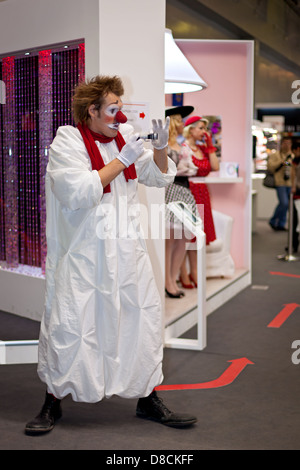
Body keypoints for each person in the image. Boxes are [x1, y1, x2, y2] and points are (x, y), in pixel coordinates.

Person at [25, 75, 197, 434]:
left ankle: (147, 397)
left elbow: (158, 176)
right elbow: (77, 191)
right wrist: (122, 158)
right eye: (113, 109)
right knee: (72, 324)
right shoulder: (69, 140)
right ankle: (52, 400)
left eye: (121, 109)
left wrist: (162, 147)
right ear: (92, 111)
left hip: (126, 251)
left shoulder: (123, 139)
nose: (120, 117)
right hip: (84, 254)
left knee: (139, 321)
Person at [179, 116, 220, 287]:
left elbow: (215, 167)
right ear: (191, 129)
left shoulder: (203, 149)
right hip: (188, 191)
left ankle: (193, 271)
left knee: (197, 235)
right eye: (201, 128)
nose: (204, 132)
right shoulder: (183, 148)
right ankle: (183, 273)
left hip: (202, 192)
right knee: (185, 234)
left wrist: (210, 147)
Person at [164, 106, 198, 297]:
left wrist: (188, 169)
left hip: (185, 191)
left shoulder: (182, 145)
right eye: (180, 120)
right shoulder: (164, 146)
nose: (183, 124)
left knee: (183, 238)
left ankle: (173, 276)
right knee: (170, 240)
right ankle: (168, 281)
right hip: (170, 190)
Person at [268, 136, 294, 231]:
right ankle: (273, 220)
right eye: (285, 143)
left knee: (287, 205)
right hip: (280, 182)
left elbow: (293, 167)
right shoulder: (276, 155)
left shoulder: (293, 155)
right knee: (284, 203)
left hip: (290, 183)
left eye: (288, 143)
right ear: (281, 144)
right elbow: (270, 167)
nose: (286, 145)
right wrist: (282, 162)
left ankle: (281, 224)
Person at [291, 142, 300, 253]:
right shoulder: (293, 160)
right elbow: (286, 165)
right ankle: (294, 244)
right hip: (296, 192)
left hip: (297, 191)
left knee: (296, 220)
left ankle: (294, 244)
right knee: (295, 219)